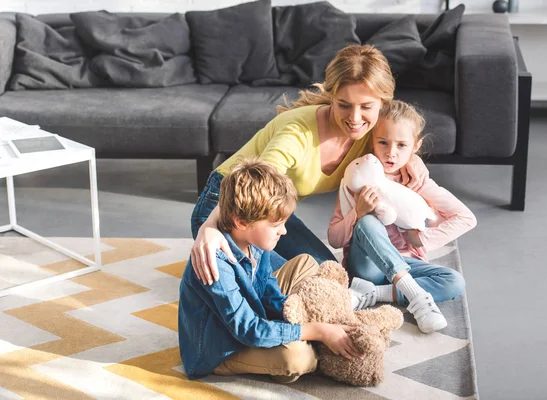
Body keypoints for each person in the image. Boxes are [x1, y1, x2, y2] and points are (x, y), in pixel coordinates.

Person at [190, 44, 430, 286]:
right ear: (332, 97)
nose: (355, 119)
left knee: (332, 277)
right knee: (283, 286)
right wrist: (211, 226)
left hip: (273, 214)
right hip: (227, 204)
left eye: (366, 106)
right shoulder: (297, 132)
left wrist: (411, 157)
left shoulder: (372, 134)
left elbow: (400, 137)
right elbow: (253, 184)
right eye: (344, 105)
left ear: (383, 103)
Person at [179, 159, 376, 383]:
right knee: (298, 358)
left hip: (252, 316)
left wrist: (301, 316)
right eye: (275, 225)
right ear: (241, 222)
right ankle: (307, 342)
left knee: (307, 263)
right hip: (222, 348)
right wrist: (317, 331)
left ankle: (308, 332)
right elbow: (248, 330)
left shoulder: (254, 242)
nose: (283, 231)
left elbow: (268, 290)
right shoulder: (216, 266)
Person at [328, 101, 477, 334]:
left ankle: (374, 293)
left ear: (416, 146)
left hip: (405, 263)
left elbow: (466, 218)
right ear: (371, 140)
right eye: (383, 142)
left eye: (401, 145)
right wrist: (358, 212)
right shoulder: (357, 178)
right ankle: (415, 294)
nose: (391, 152)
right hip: (367, 267)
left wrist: (422, 239)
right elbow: (335, 239)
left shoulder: (417, 181)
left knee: (455, 282)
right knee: (368, 222)